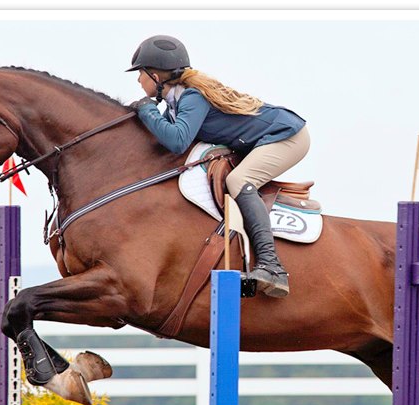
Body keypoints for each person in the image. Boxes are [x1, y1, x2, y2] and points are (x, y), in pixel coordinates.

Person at [127, 35, 310, 298]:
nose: (138, 80)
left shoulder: (192, 98)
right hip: (265, 139)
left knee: (238, 181)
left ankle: (272, 267)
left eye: (140, 73)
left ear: (155, 76)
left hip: (288, 136)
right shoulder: (176, 104)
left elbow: (177, 141)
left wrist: (146, 110)